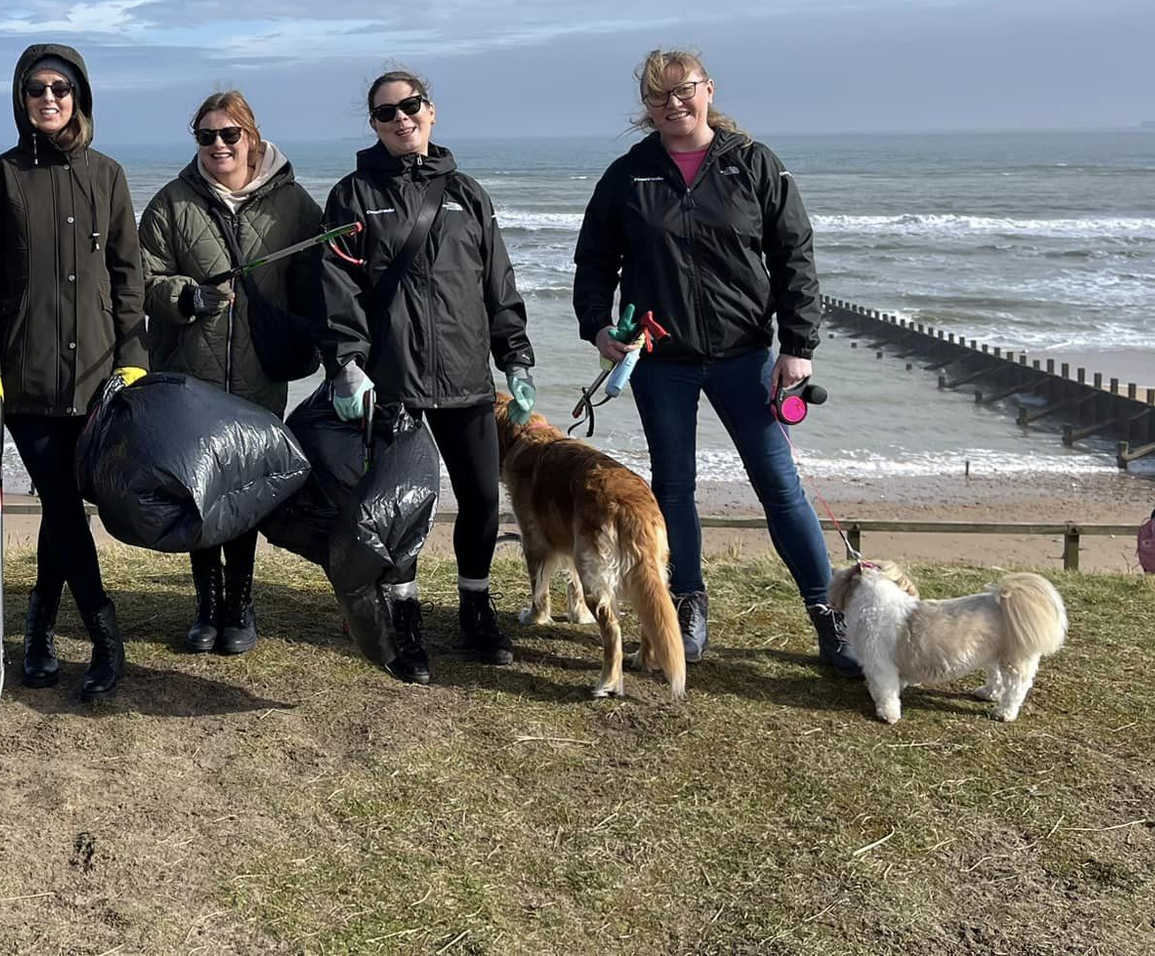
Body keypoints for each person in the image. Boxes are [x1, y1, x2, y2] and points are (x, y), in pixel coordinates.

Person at [571, 48, 857, 674]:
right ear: (645, 107)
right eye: (658, 96)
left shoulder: (753, 164)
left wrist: (799, 347)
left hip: (746, 355)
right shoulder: (628, 175)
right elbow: (592, 261)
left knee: (780, 487)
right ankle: (687, 602)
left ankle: (828, 615)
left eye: (684, 90)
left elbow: (794, 258)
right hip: (661, 360)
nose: (673, 104)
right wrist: (597, 326)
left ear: (708, 90)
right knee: (674, 487)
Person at [317, 65, 536, 684]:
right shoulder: (352, 196)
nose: (401, 119)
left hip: (468, 378)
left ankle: (475, 605)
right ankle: (406, 616)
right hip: (394, 383)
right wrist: (347, 366)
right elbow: (340, 290)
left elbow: (499, 282)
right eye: (386, 113)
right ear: (374, 125)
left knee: (483, 503)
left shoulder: (468, 194)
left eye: (410, 106)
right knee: (406, 511)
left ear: (431, 110)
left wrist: (515, 355)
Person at [0, 43, 147, 700]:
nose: (48, 97)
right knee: (66, 508)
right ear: (20, 96)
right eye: (36, 87)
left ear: (79, 97)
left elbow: (129, 277)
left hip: (97, 377)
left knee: (63, 510)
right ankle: (105, 637)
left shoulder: (107, 176)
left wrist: (134, 358)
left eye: (60, 88)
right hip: (28, 380)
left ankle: (38, 628)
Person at [139, 89, 324, 656]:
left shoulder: (292, 204)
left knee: (241, 493)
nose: (218, 145)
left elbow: (321, 285)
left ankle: (239, 605)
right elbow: (141, 279)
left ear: (252, 135)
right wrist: (184, 296)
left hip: (257, 377)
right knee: (200, 493)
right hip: (190, 376)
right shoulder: (172, 202)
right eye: (206, 136)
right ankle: (204, 605)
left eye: (229, 134)